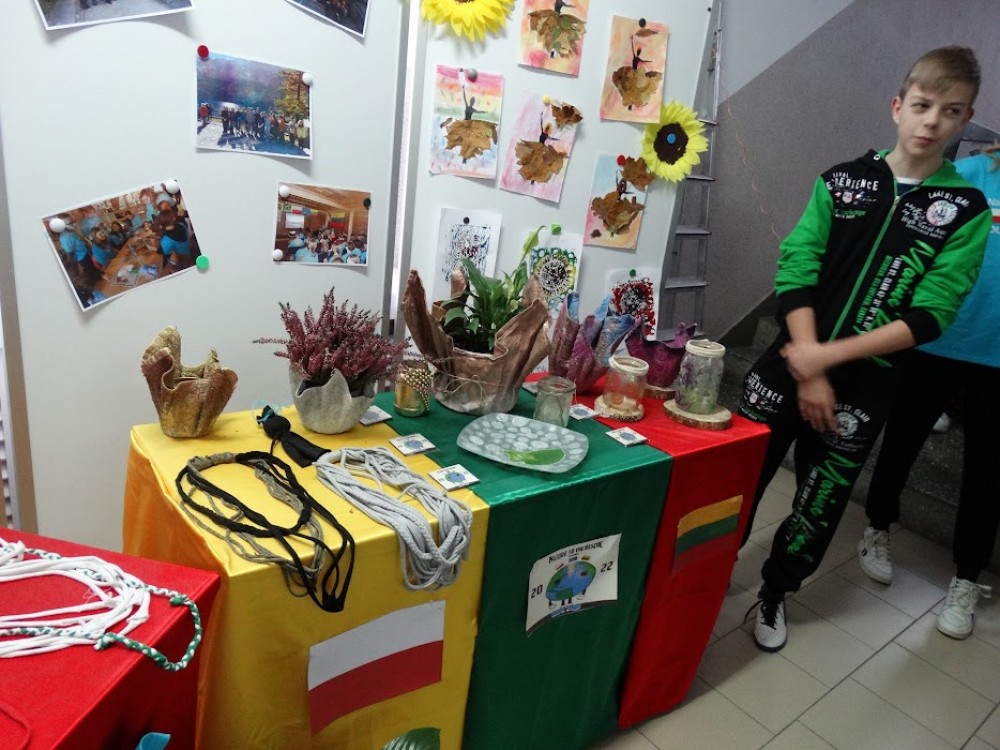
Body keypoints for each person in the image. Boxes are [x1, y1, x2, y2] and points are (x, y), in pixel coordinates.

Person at [739, 46, 991, 653]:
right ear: (898, 106)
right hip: (787, 364)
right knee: (734, 479)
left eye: (950, 111)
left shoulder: (965, 210)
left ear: (965, 119)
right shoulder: (842, 181)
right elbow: (796, 267)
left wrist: (824, 362)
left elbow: (931, 314)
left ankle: (775, 592)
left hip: (863, 385)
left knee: (818, 502)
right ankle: (704, 569)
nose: (932, 122)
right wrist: (807, 360)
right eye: (923, 106)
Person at [857, 143, 1000, 639]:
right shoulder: (968, 175)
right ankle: (876, 527)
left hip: (997, 357)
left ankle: (966, 579)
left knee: (988, 473)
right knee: (901, 442)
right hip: (936, 340)